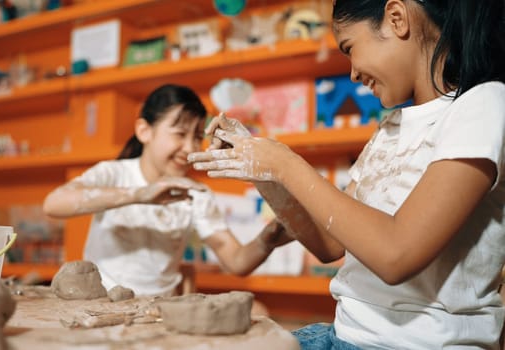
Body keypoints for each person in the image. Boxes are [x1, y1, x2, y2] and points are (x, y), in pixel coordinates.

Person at [188, 0, 505, 348]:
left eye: (350, 48)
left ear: (397, 19)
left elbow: (396, 255)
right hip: (343, 334)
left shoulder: (484, 104)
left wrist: (283, 163)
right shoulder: (390, 128)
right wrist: (263, 172)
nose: (352, 73)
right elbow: (330, 245)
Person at [43, 84, 292, 297]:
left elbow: (236, 262)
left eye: (196, 137)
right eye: (180, 134)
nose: (189, 147)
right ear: (144, 131)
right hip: (102, 304)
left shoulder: (196, 193)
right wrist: (139, 195)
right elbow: (53, 204)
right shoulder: (114, 173)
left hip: (159, 313)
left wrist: (267, 239)